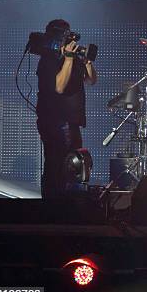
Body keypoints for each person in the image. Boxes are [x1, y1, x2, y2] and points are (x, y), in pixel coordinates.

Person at [36, 19, 97, 199]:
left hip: (71, 122)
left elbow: (91, 80)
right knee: (56, 166)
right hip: (55, 121)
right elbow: (59, 87)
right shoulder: (48, 60)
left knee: (72, 167)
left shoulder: (73, 58)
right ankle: (51, 207)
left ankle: (65, 205)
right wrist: (69, 59)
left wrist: (86, 62)